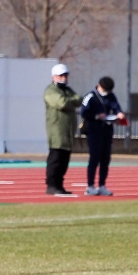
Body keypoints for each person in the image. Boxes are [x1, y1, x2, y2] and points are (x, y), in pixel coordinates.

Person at [81, 75, 124, 196]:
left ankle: (102, 185)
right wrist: (96, 116)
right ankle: (90, 186)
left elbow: (115, 106)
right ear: (99, 86)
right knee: (94, 158)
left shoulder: (111, 95)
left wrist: (119, 114)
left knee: (105, 158)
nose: (106, 92)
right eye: (105, 90)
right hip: (94, 131)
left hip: (107, 130)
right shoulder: (90, 96)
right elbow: (84, 112)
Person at [42, 63, 80, 196]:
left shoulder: (68, 90)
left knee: (64, 160)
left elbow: (79, 99)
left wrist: (70, 101)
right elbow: (61, 103)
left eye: (65, 75)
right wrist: (71, 102)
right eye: (61, 75)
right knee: (56, 158)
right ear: (54, 76)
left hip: (68, 131)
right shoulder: (50, 90)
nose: (64, 78)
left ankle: (59, 185)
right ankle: (52, 185)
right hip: (57, 130)